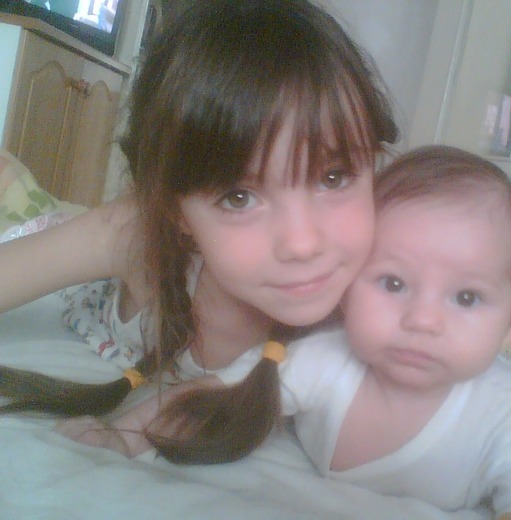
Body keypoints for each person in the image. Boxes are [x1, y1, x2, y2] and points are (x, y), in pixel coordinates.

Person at [56, 146, 511, 519]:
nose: (423, 321)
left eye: (467, 298)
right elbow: (216, 396)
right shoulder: (325, 361)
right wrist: (123, 434)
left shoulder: (506, 416)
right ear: (349, 286)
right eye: (393, 283)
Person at [0, 0, 397, 463]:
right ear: (178, 213)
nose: (303, 243)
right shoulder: (136, 237)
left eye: (333, 177)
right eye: (239, 197)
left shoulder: (380, 297)